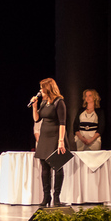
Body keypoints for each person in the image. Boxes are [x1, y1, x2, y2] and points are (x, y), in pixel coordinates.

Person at [31, 77, 69, 207]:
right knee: (45, 168)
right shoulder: (43, 102)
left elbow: (62, 123)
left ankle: (56, 198)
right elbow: (37, 119)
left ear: (48, 89)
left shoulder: (59, 102)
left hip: (55, 137)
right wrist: (34, 106)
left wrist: (61, 141)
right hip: (44, 138)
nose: (40, 91)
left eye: (42, 88)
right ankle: (46, 196)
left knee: (57, 167)